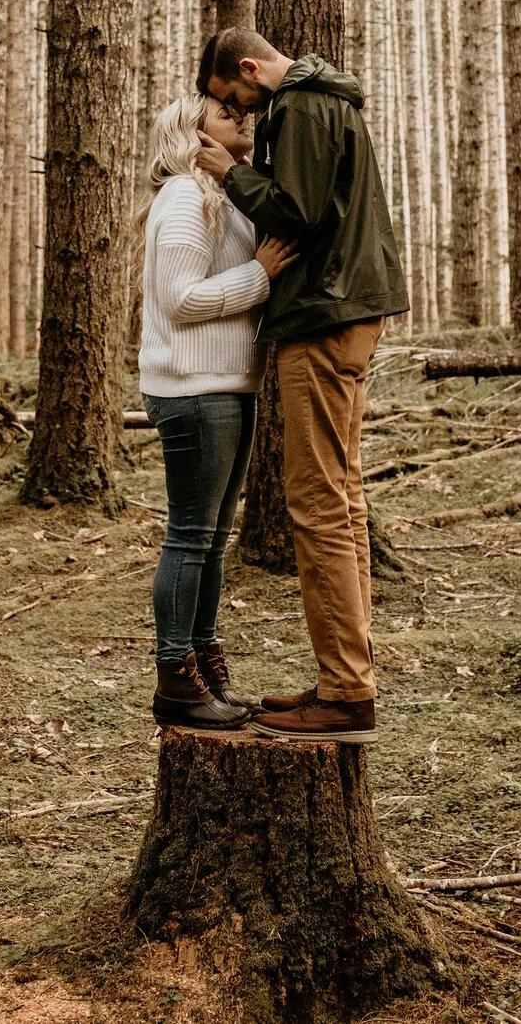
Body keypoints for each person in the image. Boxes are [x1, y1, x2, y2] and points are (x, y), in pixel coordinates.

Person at [192, 27, 409, 745]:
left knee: (317, 502)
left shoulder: (303, 107)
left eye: (235, 99)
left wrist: (230, 174)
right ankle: (347, 678)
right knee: (340, 498)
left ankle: (346, 690)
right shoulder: (324, 102)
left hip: (325, 312)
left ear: (250, 69)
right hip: (346, 309)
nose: (242, 117)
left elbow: (301, 214)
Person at [139, 92, 298, 729]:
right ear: (192, 132)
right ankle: (175, 677)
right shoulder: (183, 195)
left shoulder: (225, 196)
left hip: (227, 386)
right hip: (192, 390)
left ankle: (204, 664)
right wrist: (259, 275)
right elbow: (181, 300)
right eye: (223, 112)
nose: (240, 115)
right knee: (191, 537)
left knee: (211, 542)